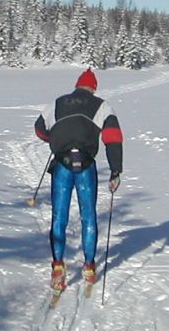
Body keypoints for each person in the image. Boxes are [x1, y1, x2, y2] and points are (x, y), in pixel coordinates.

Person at [34, 68, 123, 292]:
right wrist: (115, 171)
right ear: (94, 88)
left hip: (61, 165)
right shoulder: (102, 106)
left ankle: (57, 268)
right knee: (88, 217)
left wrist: (55, 138)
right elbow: (112, 138)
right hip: (85, 166)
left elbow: (40, 129)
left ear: (76, 85)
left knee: (59, 217)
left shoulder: (57, 103)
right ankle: (89, 268)